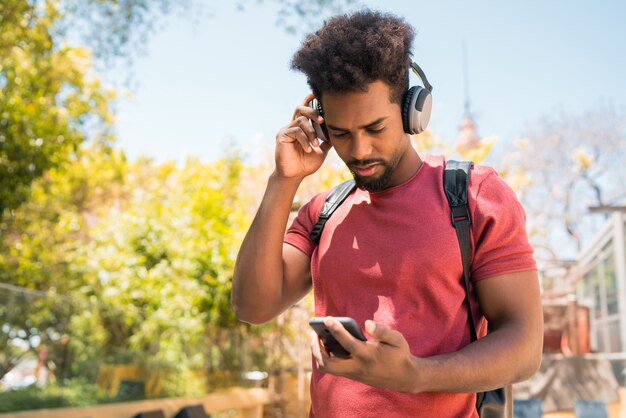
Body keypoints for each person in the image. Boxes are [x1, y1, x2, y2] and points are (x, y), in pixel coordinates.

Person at [231, 9, 543, 418]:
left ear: (411, 112)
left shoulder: (474, 196)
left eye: (375, 128)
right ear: (322, 125)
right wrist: (282, 181)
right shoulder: (323, 212)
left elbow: (523, 346)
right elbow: (252, 307)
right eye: (341, 133)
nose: (359, 150)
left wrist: (415, 374)